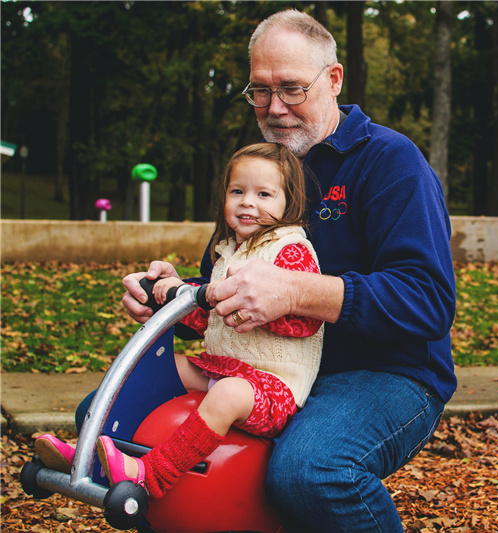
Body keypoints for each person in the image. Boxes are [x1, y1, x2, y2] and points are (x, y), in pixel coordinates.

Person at [112, 8, 455, 532]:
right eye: (259, 91)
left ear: (333, 79)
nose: (275, 108)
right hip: (260, 367)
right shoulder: (259, 172)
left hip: (384, 372)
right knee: (109, 414)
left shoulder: (390, 161)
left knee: (310, 471)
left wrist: (296, 291)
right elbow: (223, 298)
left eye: (292, 88)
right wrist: (169, 295)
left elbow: (427, 301)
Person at [38, 143, 324, 501]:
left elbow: (306, 321)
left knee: (227, 395)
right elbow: (209, 318)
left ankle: (153, 473)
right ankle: (87, 455)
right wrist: (173, 295)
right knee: (150, 368)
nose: (248, 202)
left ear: (289, 201)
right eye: (238, 191)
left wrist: (259, 305)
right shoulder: (229, 248)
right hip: (220, 366)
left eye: (264, 194)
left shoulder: (290, 249)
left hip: (271, 388)